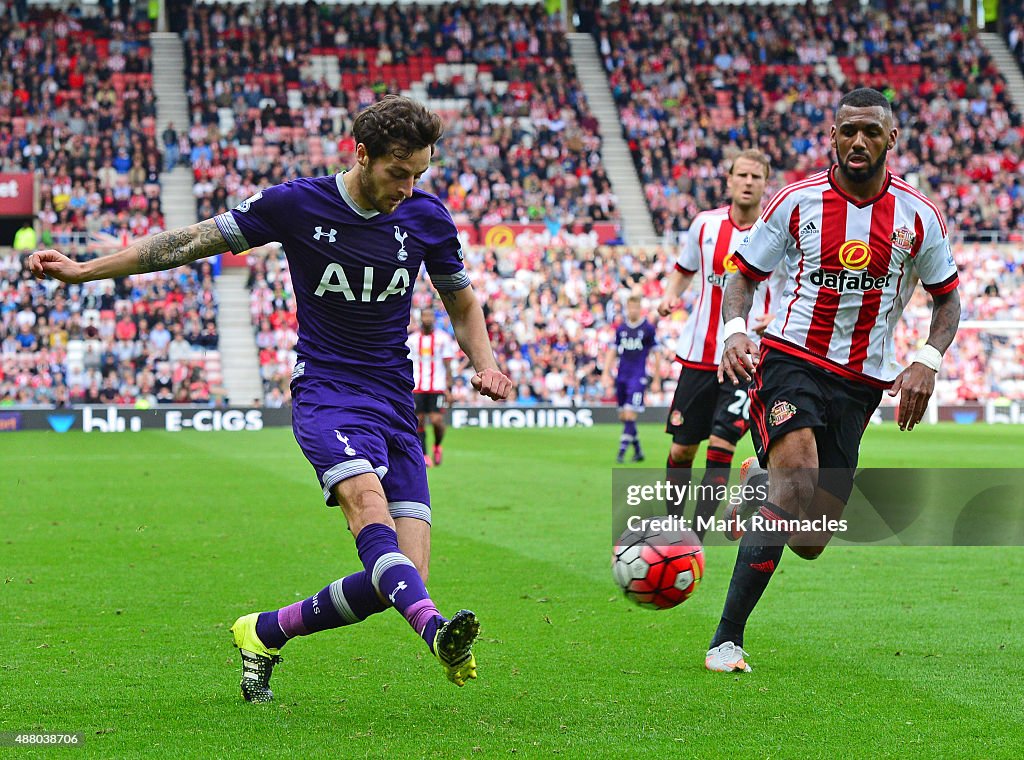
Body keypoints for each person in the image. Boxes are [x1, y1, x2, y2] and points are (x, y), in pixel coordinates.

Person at [29, 95, 514, 701]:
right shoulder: (296, 204)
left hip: (395, 401)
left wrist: (487, 364)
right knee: (368, 507)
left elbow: (461, 301)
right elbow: (186, 242)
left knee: (400, 578)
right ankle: (439, 632)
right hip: (328, 394)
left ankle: (263, 631)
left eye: (420, 173)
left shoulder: (427, 217)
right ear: (360, 155)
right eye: (398, 171)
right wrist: (84, 271)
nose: (409, 186)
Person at [707, 88, 960, 673]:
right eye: (848, 131)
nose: (858, 142)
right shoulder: (795, 203)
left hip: (862, 382)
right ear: (833, 136)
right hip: (792, 358)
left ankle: (760, 476)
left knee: (810, 539)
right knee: (795, 484)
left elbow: (948, 301)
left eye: (871, 131)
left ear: (891, 139)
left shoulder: (918, 217)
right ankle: (727, 640)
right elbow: (741, 276)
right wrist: (736, 330)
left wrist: (928, 358)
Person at [657, 150, 779, 539]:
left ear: (764, 183)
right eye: (741, 175)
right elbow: (683, 270)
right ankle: (674, 524)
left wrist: (774, 319)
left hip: (746, 356)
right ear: (728, 180)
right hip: (698, 354)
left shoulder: (776, 229)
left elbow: (793, 284)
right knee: (681, 451)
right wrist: (669, 295)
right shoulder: (704, 225)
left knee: (722, 445)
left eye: (755, 177)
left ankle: (694, 536)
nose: (747, 182)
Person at [603, 293, 658, 463]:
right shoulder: (621, 329)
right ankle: (638, 451)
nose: (633, 310)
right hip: (622, 376)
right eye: (630, 307)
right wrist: (606, 372)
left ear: (640, 309)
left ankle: (621, 451)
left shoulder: (647, 329)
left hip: (638, 377)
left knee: (629, 414)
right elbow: (613, 350)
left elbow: (656, 354)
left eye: (636, 307)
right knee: (623, 416)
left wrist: (656, 379)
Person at [407, 305, 457, 467]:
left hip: (437, 386)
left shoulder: (443, 339)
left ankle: (437, 445)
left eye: (430, 316)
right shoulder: (412, 340)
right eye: (425, 316)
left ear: (434, 319)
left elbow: (448, 365)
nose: (427, 319)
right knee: (419, 421)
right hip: (417, 386)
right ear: (421, 318)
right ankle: (424, 454)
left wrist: (449, 389)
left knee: (436, 420)